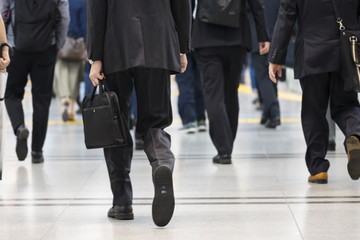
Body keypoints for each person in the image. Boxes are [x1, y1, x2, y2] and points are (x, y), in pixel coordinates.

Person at [87, 0, 191, 227]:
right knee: (156, 119)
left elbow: (96, 7)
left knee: (115, 120)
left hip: (116, 42)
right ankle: (161, 161)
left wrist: (96, 57)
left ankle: (122, 200)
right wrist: (182, 46)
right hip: (159, 41)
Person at [269, 0, 360, 183]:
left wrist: (276, 56)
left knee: (313, 110)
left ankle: (318, 168)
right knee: (346, 104)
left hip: (311, 51)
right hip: (345, 51)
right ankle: (355, 136)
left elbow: (286, 15)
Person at [192, 0, 269, 164]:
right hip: (236, 35)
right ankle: (227, 145)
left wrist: (184, 36)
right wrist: (263, 35)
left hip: (205, 36)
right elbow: (257, 4)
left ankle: (223, 148)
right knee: (231, 94)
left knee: (213, 95)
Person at [1, 0, 69, 164]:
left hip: (17, 48)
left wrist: (4, 48)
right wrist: (58, 45)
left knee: (12, 94)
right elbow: (64, 18)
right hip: (46, 48)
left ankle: (19, 127)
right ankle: (37, 151)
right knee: (42, 101)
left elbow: (2, 15)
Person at [249, 0, 281, 128]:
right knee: (271, 74)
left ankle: (274, 112)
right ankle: (267, 113)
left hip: (259, 37)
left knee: (263, 76)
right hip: (276, 35)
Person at [53, 0, 86, 122]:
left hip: (62, 43)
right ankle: (71, 108)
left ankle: (64, 100)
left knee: (61, 74)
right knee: (75, 78)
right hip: (77, 44)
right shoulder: (82, 2)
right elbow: (84, 24)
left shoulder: (60, 1)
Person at [176, 52, 207, 134]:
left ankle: (189, 121)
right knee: (199, 82)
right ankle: (201, 119)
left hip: (183, 49)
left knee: (185, 83)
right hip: (200, 44)